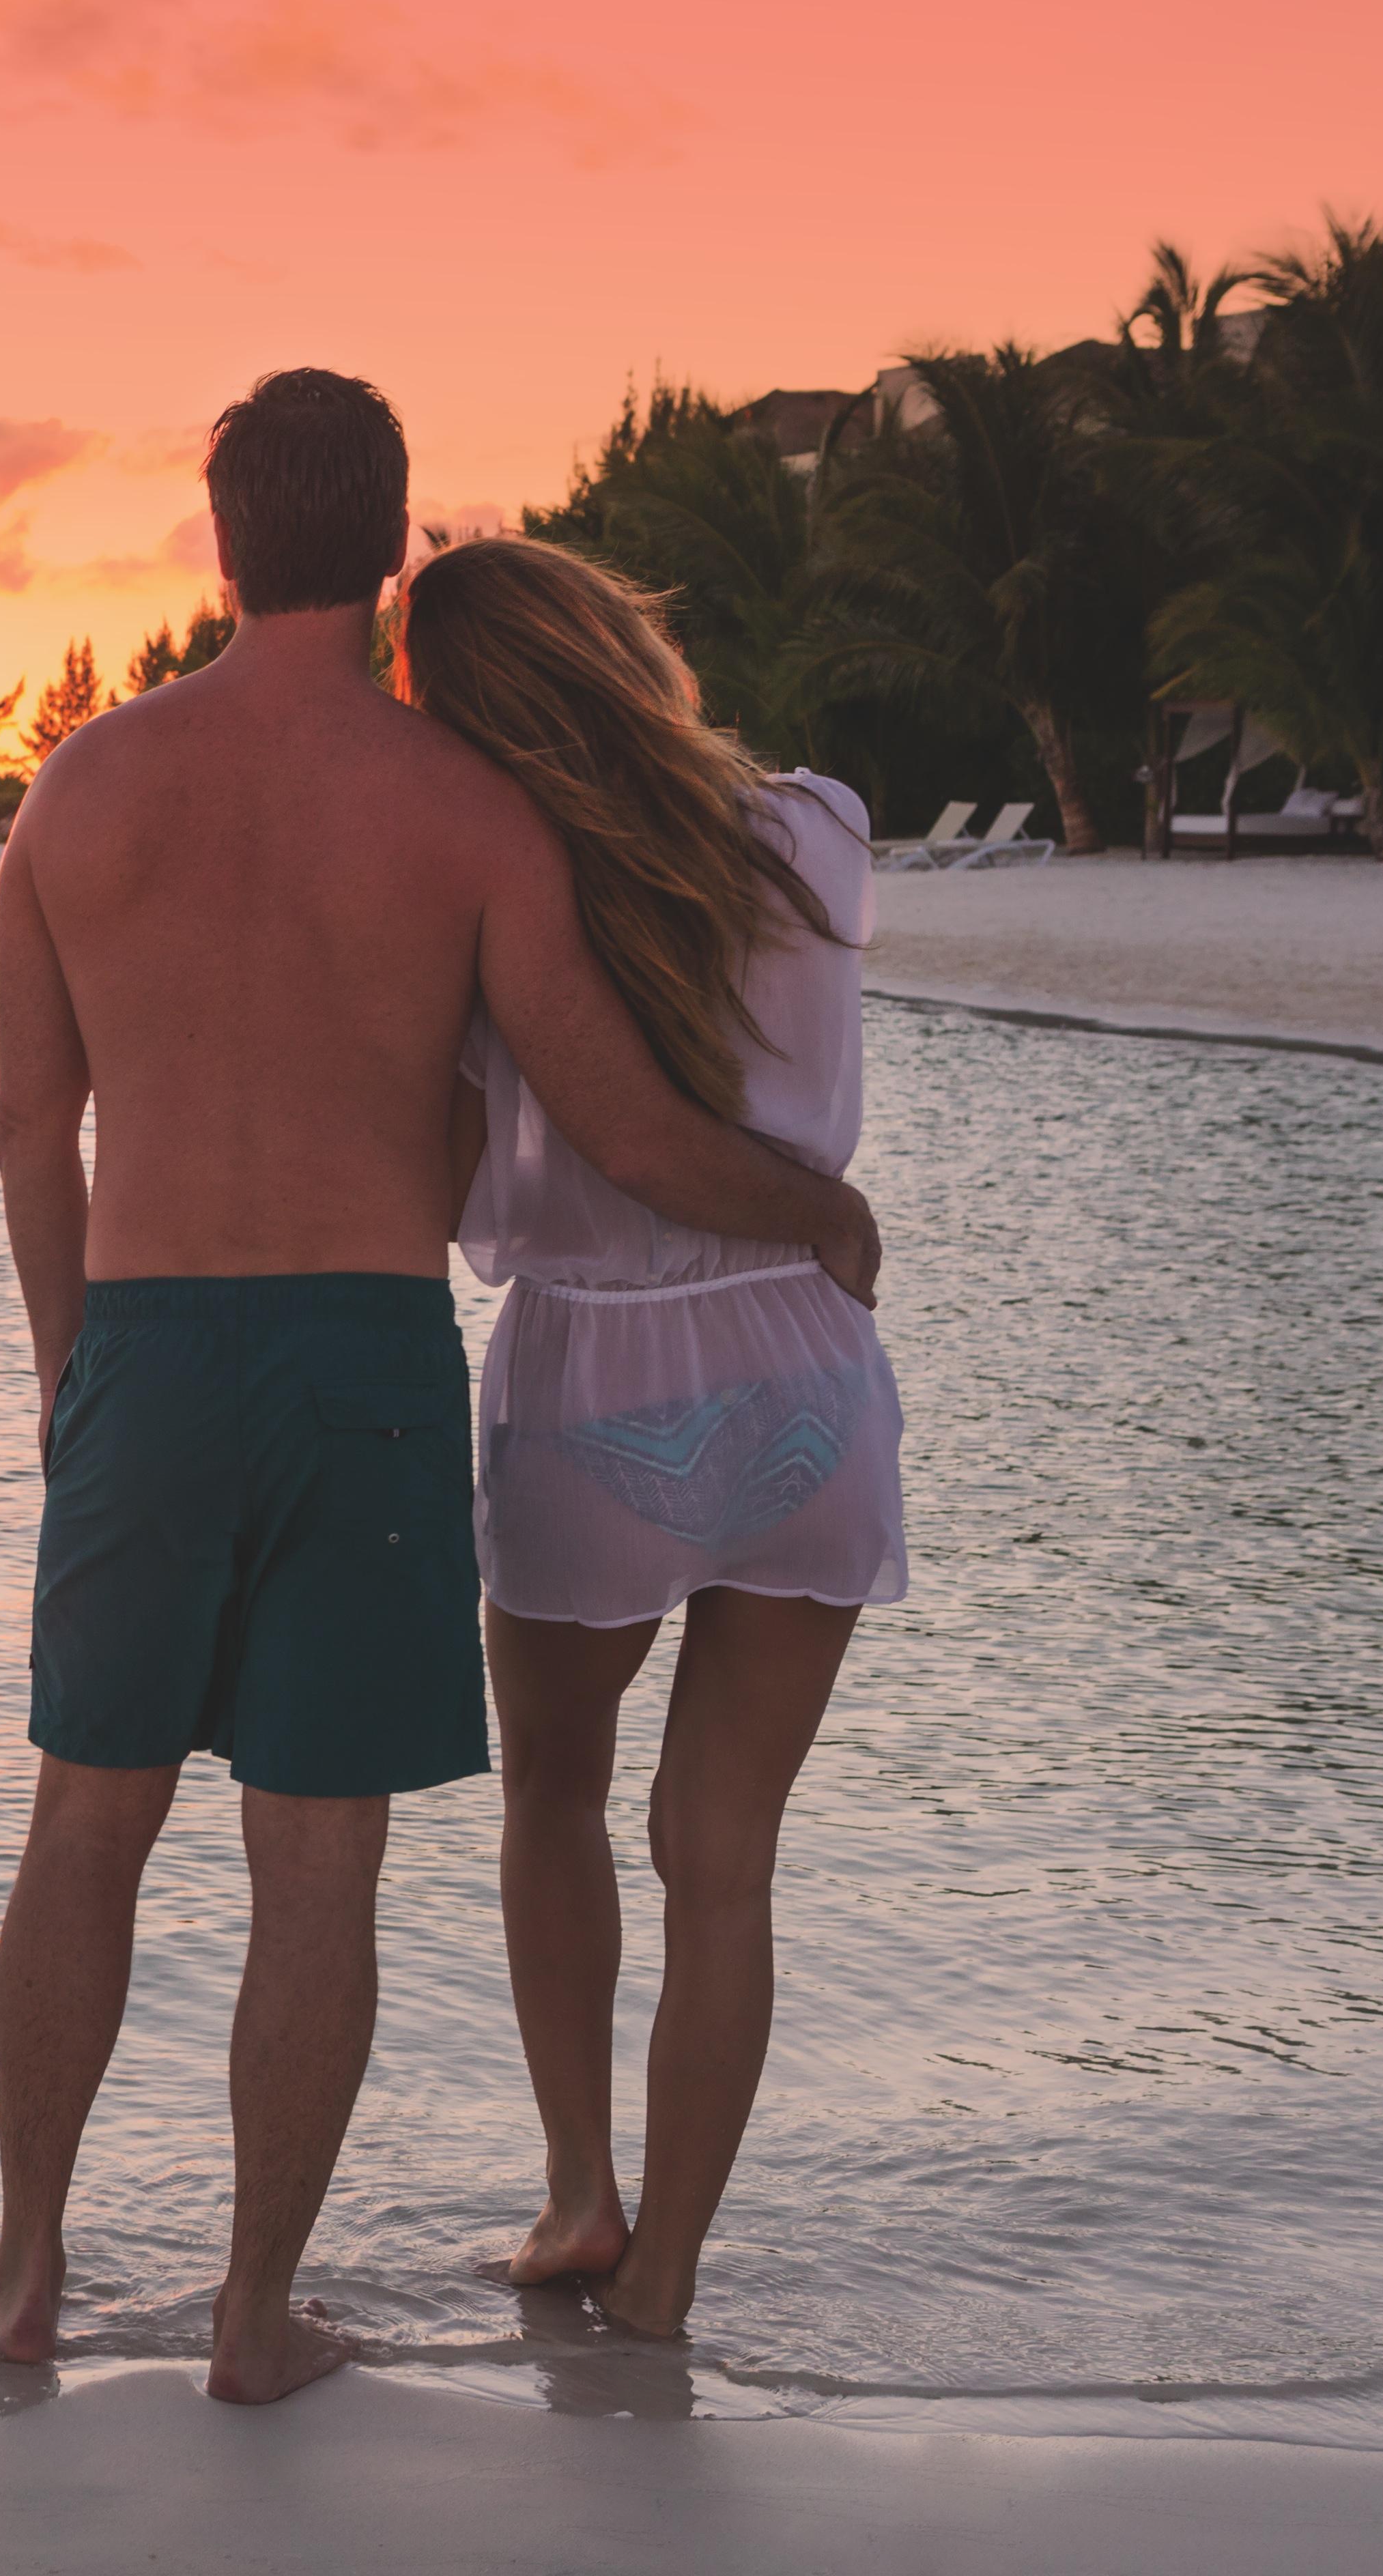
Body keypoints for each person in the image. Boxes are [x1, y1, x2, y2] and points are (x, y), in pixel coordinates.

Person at [0, 371, 881, 2403]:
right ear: (393, 551)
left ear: (219, 547)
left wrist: (72, 1382)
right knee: (317, 1860)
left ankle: (27, 2270)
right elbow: (624, 1129)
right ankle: (247, 2314)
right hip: (362, 1362)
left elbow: (35, 1131)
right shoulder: (465, 811)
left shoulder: (77, 792)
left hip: (139, 1343)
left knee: (85, 1826)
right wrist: (815, 1213)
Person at [395, 534, 909, 2341]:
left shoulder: (492, 888)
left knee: (555, 1797)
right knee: (726, 1850)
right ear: (625, 637)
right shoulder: (826, 826)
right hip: (801, 1366)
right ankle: (673, 2275)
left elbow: (464, 1167)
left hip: (589, 1379)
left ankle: (577, 2202)